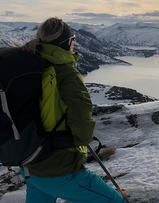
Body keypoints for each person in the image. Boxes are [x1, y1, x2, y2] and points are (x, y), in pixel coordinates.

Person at [20, 17, 124, 203]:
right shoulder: (66, 74)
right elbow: (82, 125)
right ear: (67, 43)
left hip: (29, 164)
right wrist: (76, 138)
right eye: (73, 39)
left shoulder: (28, 65)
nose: (74, 44)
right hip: (59, 169)